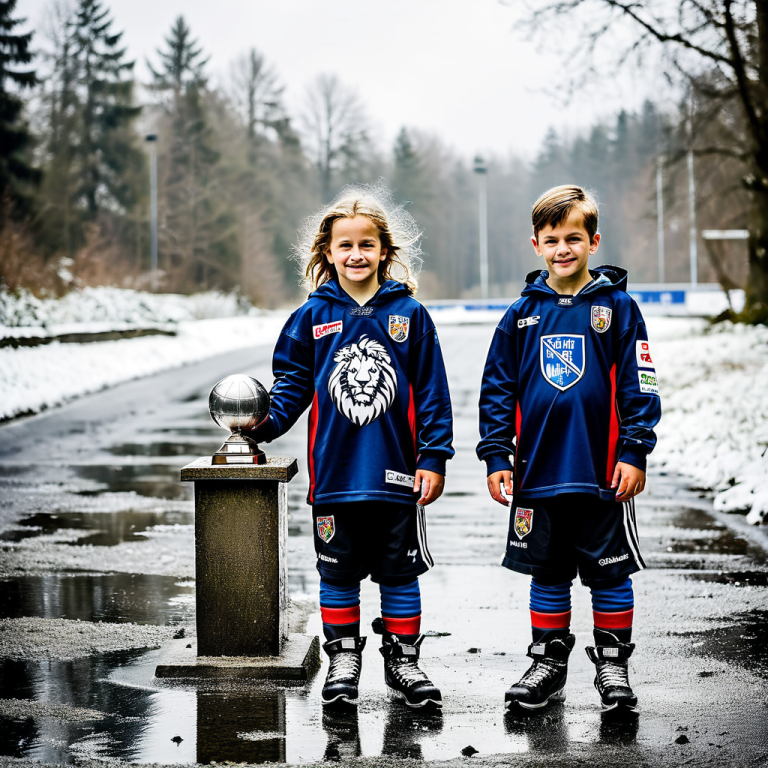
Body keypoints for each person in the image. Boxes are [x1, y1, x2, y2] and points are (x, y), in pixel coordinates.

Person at [247, 185, 453, 710]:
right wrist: (261, 425)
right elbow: (292, 384)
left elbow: (432, 392)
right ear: (328, 251)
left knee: (400, 574)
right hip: (335, 477)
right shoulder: (312, 316)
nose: (356, 254)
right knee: (337, 575)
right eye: (346, 245)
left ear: (384, 251)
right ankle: (343, 659)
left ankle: (404, 661)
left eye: (367, 244)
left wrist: (434, 456)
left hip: (397, 477)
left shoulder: (410, 314)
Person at [477, 184, 661, 714]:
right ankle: (548, 663)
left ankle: (613, 667)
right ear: (535, 244)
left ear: (593, 242)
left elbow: (640, 384)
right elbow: (497, 390)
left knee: (610, 573)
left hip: (602, 473)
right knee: (548, 572)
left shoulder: (618, 309)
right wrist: (496, 455)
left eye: (574, 238)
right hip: (536, 472)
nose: (563, 249)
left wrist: (634, 450)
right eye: (552, 239)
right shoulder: (520, 315)